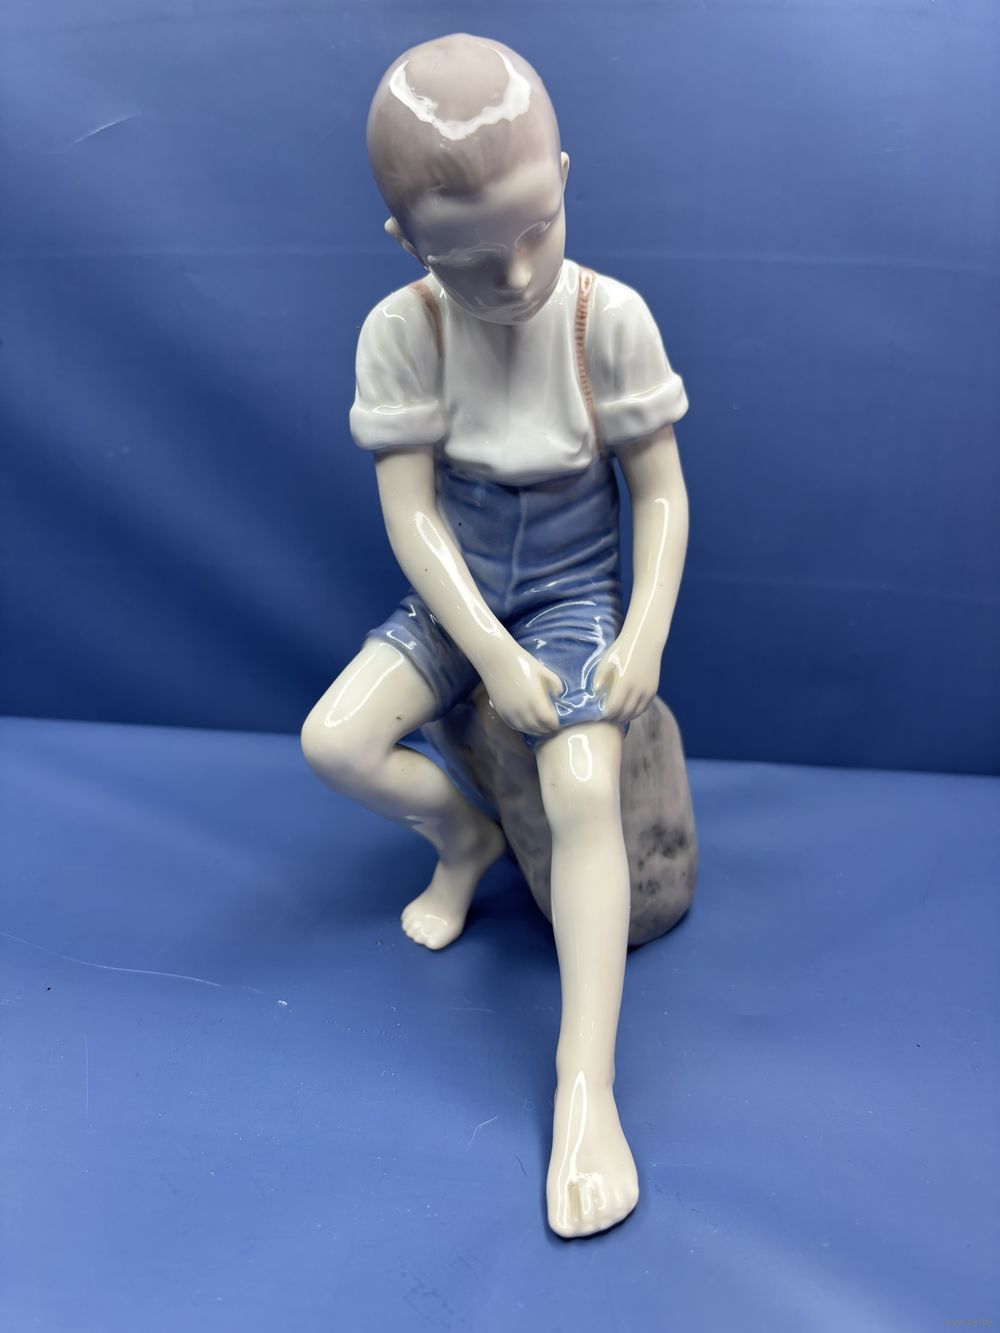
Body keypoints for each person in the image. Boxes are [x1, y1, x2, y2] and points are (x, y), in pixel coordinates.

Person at [301, 33, 690, 1239]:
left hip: (572, 598)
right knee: (334, 741)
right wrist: (489, 657)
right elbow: (413, 519)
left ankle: (584, 1087)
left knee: (581, 783)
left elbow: (660, 495)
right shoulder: (402, 330)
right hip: (459, 603)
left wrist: (641, 635)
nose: (515, 274)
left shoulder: (606, 318)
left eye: (536, 228)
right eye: (468, 255)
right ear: (406, 242)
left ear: (563, 178)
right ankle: (463, 835)